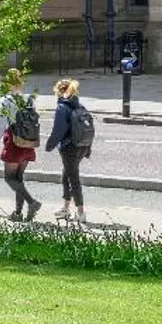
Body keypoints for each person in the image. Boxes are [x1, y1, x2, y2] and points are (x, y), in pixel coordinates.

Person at [0, 67, 41, 220]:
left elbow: (1, 123)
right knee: (19, 179)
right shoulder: (29, 99)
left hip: (14, 141)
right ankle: (18, 213)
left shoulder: (8, 100)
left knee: (9, 178)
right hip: (28, 142)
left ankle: (32, 202)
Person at [46, 78, 94, 221]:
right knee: (65, 176)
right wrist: (88, 148)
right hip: (82, 146)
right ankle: (66, 208)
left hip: (69, 148)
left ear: (59, 91)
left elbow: (58, 130)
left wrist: (50, 145)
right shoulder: (80, 106)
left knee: (73, 179)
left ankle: (80, 213)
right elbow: (89, 128)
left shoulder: (62, 107)